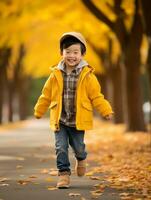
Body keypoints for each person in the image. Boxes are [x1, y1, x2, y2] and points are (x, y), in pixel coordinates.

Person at [34, 32, 113, 189]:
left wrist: (106, 110)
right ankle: (63, 175)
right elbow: (46, 95)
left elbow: (96, 96)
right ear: (61, 53)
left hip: (78, 120)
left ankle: (81, 158)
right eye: (68, 52)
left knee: (78, 147)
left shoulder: (88, 76)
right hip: (60, 120)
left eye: (75, 52)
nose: (71, 56)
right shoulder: (55, 74)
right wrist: (39, 110)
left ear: (82, 54)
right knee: (60, 147)